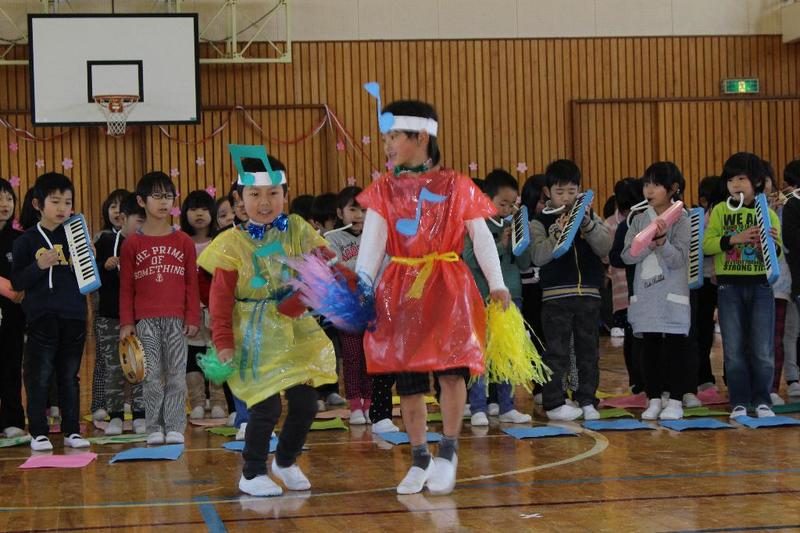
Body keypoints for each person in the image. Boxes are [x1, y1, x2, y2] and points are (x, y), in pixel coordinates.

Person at [355, 99, 509, 495]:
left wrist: (497, 283)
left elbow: (481, 237)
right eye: (385, 137)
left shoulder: (457, 185)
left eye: (394, 136)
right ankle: (420, 455)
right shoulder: (383, 190)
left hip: (447, 287)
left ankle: (449, 450)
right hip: (401, 291)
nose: (387, 145)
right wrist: (362, 285)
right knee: (408, 380)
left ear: (421, 137)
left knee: (451, 371)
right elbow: (372, 244)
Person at [198, 147, 338, 496]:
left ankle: (286, 462)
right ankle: (252, 472)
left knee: (306, 403)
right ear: (239, 199)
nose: (264, 202)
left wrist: (328, 274)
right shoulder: (230, 244)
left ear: (285, 195)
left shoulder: (297, 229)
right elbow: (219, 300)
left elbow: (325, 263)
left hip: (294, 331)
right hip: (253, 336)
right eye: (255, 194)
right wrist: (223, 343)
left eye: (273, 193)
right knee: (266, 406)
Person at [119, 171, 201, 445]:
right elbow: (126, 288)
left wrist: (192, 317)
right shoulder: (132, 244)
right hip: (145, 321)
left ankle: (175, 425)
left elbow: (192, 284)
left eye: (168, 196)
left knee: (177, 375)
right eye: (156, 196)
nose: (164, 201)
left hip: (177, 320)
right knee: (151, 375)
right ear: (141, 201)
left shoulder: (184, 242)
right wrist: (127, 322)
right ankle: (154, 426)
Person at [12, 173, 91, 451]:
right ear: (37, 204)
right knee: (40, 376)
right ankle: (38, 433)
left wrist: (89, 260)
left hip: (74, 316)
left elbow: (89, 280)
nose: (62, 208)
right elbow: (17, 282)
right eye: (55, 201)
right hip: (41, 318)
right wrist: (39, 266)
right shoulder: (26, 241)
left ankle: (72, 431)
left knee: (69, 376)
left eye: (67, 202)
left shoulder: (76, 238)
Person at [531, 159, 612, 421]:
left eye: (572, 191)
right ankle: (554, 402)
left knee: (588, 351)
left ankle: (586, 399)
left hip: (589, 294)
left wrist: (587, 225)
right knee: (557, 352)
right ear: (548, 192)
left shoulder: (590, 216)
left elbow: (605, 247)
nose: (566, 197)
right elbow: (538, 256)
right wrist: (558, 232)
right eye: (560, 192)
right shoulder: (539, 222)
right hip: (556, 296)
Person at [703, 152, 781, 419]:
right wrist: (734, 239)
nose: (734, 184)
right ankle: (738, 401)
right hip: (729, 288)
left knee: (762, 348)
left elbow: (778, 255)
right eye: (730, 180)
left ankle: (762, 400)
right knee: (733, 348)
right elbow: (707, 245)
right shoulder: (720, 211)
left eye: (741, 179)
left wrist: (769, 244)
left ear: (757, 181)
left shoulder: (768, 214)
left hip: (761, 287)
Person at [621, 162, 691, 420]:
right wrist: (647, 244)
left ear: (673, 188)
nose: (648, 190)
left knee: (676, 348)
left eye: (656, 185)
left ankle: (675, 401)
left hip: (673, 295)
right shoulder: (639, 219)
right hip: (647, 296)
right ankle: (653, 399)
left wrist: (662, 242)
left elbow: (679, 259)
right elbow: (627, 256)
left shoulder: (683, 220)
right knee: (649, 348)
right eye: (646, 184)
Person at [464, 169, 532, 426]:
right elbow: (471, 259)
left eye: (511, 204)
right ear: (485, 198)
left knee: (506, 355)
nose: (506, 209)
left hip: (511, 298)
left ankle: (507, 406)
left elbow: (524, 263)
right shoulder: (475, 225)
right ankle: (478, 408)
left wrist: (520, 242)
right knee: (479, 354)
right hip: (481, 298)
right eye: (502, 203)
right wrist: (500, 246)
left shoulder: (512, 225)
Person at [95, 193, 147, 435]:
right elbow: (90, 276)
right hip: (109, 316)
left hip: (140, 317)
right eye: (139, 220)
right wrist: (103, 266)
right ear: (123, 219)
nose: (143, 226)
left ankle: (140, 415)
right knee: (114, 367)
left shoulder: (147, 245)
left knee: (140, 365)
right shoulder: (105, 242)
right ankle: (115, 415)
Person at [0, 177, 26, 439]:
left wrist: (22, 289)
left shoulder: (20, 239)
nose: (4, 204)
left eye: (8, 198)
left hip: (13, 315)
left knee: (10, 366)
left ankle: (12, 419)